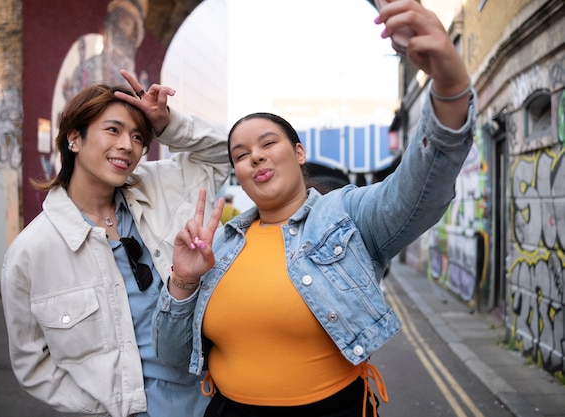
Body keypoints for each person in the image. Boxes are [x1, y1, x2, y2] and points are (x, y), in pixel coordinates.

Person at [152, 1, 477, 416]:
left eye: (268, 143)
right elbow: (172, 354)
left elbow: (419, 192)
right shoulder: (217, 247)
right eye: (240, 154)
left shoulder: (347, 217)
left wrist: (449, 89)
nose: (256, 157)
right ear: (236, 172)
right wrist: (182, 283)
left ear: (299, 152)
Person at [1, 69, 230, 417]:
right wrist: (111, 407)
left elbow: (230, 153)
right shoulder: (31, 251)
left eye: (139, 137)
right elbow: (32, 365)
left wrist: (167, 124)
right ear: (74, 139)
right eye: (113, 130)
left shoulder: (159, 184)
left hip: (216, 398)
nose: (127, 145)